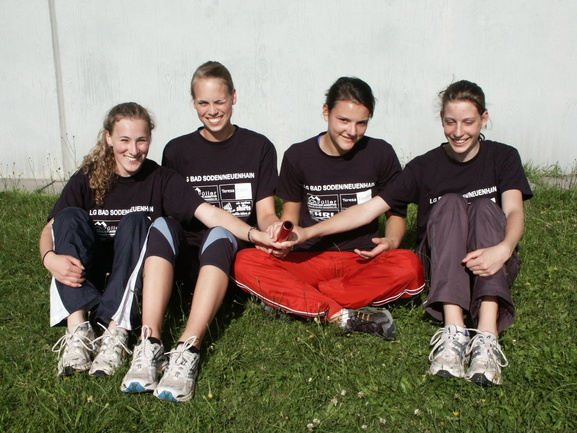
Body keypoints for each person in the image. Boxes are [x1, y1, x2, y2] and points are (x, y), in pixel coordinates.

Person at [290, 80, 533, 386]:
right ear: (441, 120)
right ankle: (454, 331)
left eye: (468, 122)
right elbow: (369, 209)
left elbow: (514, 211)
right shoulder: (424, 166)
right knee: (450, 203)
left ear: (484, 119)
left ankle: (487, 334)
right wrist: (308, 232)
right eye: (450, 122)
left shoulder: (503, 156)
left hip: (494, 256)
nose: (459, 131)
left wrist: (505, 248)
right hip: (445, 262)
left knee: (485, 207)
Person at [40, 102, 283, 385]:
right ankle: (78, 330)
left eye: (141, 140)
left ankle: (116, 332)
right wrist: (49, 258)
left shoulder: (160, 178)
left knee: (137, 221)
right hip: (89, 271)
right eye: (124, 140)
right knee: (68, 216)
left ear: (150, 139)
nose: (133, 150)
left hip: (132, 272)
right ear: (109, 138)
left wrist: (254, 234)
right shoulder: (86, 178)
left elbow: (209, 214)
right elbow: (51, 228)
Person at [122, 61, 280, 402]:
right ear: (193, 103)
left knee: (220, 233)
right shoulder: (177, 150)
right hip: (188, 255)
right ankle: (149, 343)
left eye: (219, 101)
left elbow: (266, 213)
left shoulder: (259, 147)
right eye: (203, 103)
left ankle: (188, 348)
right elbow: (172, 210)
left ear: (233, 97)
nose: (212, 110)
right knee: (161, 225)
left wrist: (272, 230)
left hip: (230, 250)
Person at [234, 77, 425, 339]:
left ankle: (301, 300)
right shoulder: (298, 155)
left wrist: (391, 242)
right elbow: (290, 218)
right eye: (343, 120)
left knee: (409, 264)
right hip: (309, 259)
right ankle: (339, 314)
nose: (352, 131)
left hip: (362, 259)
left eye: (361, 123)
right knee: (246, 261)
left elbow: (396, 213)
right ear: (326, 112)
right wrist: (283, 240)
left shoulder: (380, 152)